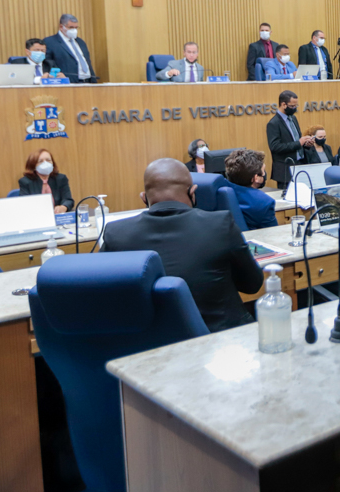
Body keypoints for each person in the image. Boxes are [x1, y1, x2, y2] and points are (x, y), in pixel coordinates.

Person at [102, 159, 262, 333]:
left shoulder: (116, 234)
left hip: (149, 348)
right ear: (193, 193)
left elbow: (105, 294)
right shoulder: (219, 224)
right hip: (221, 341)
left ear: (144, 198)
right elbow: (252, 285)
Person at [223, 148, 279, 230]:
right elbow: (273, 234)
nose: (264, 174)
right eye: (263, 171)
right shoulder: (263, 202)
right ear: (256, 178)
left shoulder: (219, 191)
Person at [266, 90, 312, 190]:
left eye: (296, 106)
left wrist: (305, 143)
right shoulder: (273, 123)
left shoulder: (293, 118)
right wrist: (299, 143)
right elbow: (275, 147)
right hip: (285, 171)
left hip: (300, 166)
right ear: (283, 105)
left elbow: (297, 140)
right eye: (292, 106)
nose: (294, 108)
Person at [43, 13, 96, 84]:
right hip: (68, 83)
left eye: (76, 27)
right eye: (71, 27)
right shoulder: (50, 42)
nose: (74, 30)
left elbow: (87, 62)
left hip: (88, 81)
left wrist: (94, 81)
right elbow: (47, 63)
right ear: (61, 27)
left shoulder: (80, 42)